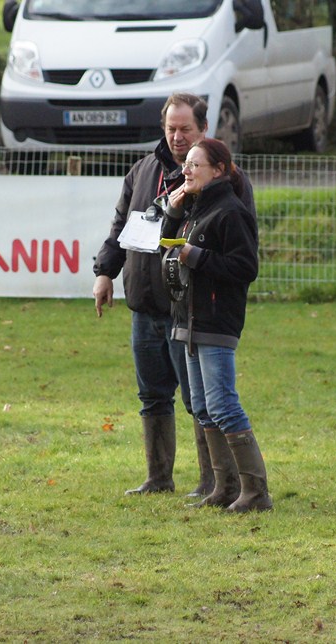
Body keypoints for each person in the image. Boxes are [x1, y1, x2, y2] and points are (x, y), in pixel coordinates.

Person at [93, 93, 254, 497]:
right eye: (171, 129)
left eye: (186, 129)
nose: (178, 137)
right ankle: (158, 477)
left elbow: (239, 251)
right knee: (152, 395)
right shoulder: (142, 172)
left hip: (190, 310)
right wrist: (104, 272)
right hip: (144, 305)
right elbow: (120, 227)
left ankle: (212, 481)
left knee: (201, 403)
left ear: (204, 130)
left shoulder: (224, 182)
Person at [160, 138, 271, 512]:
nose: (185, 171)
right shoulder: (195, 210)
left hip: (215, 320)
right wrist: (174, 214)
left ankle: (255, 493)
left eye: (194, 165)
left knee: (224, 405)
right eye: (185, 165)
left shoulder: (230, 212)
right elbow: (164, 246)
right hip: (189, 320)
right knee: (204, 407)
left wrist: (197, 256)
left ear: (219, 170)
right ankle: (224, 488)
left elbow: (245, 268)